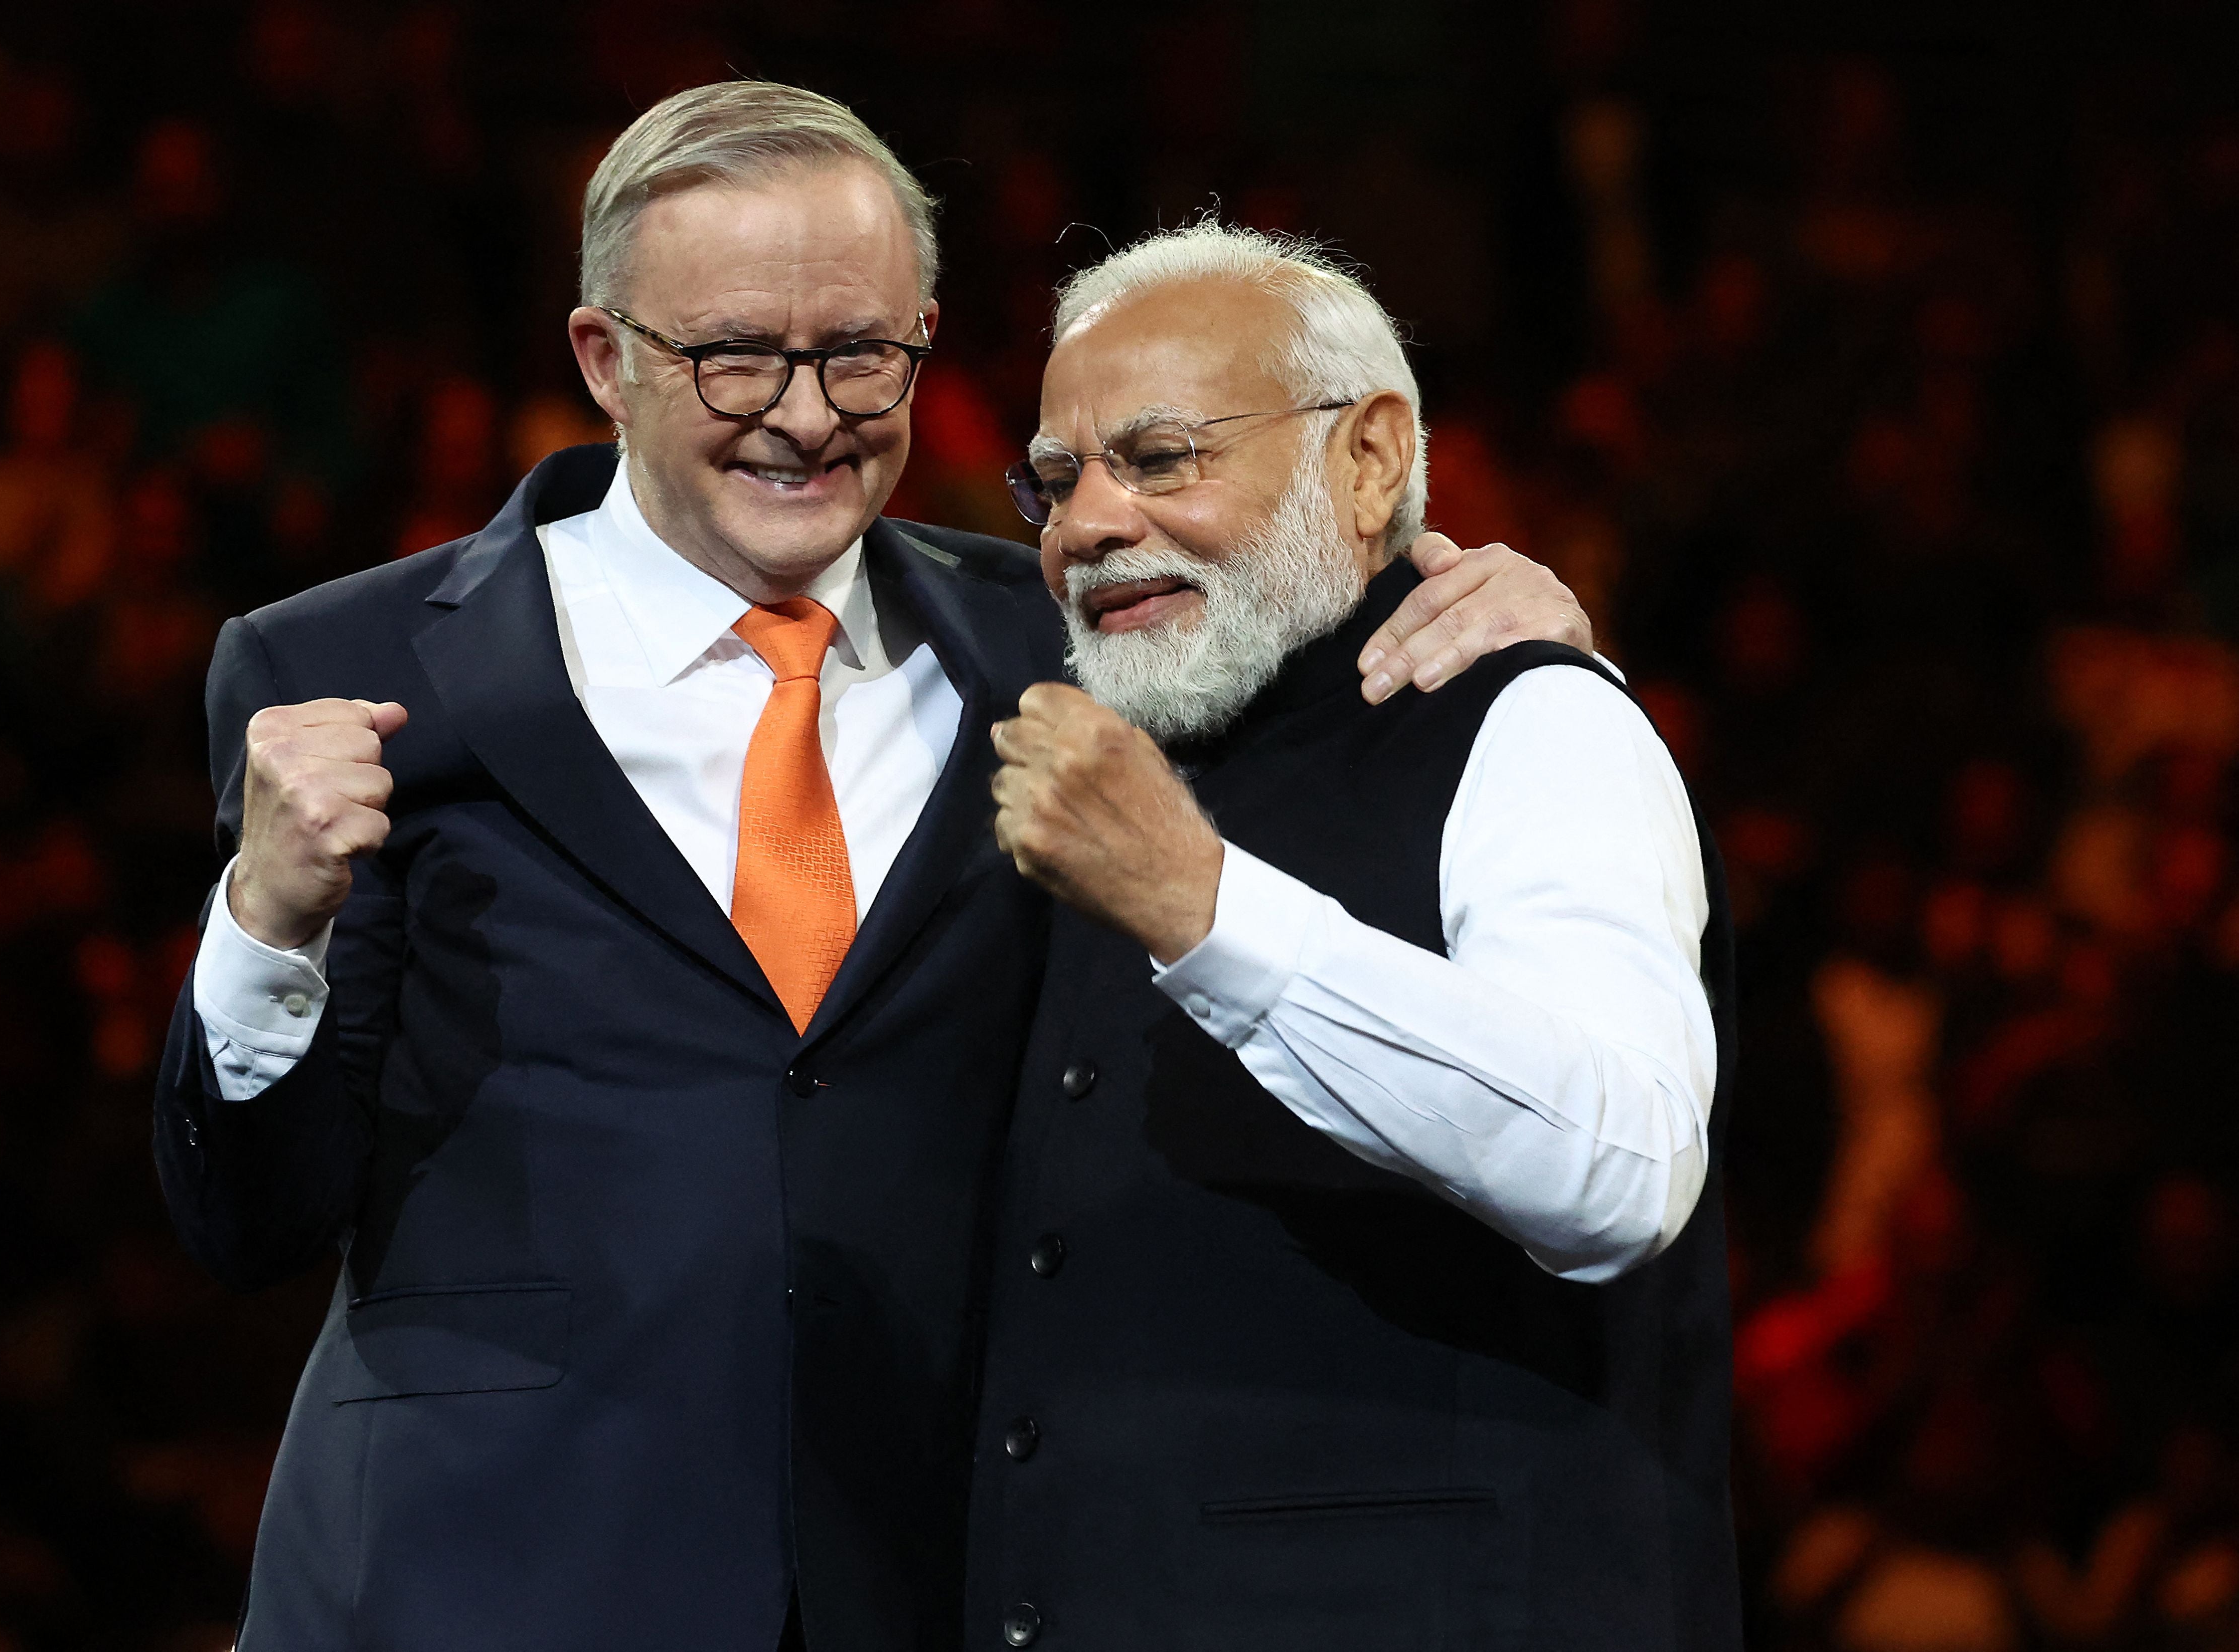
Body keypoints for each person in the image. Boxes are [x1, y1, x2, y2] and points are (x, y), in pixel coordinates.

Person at [152, 84, 1590, 1651]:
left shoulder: (1057, 639)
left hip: (931, 1574)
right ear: (603, 360)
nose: (808, 410)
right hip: (481, 1573)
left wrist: (1483, 607)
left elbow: (1301, 645)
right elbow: (252, 1221)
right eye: (734, 357)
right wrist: (267, 920)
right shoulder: (351, 667)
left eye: (860, 353)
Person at [977, 222, 1736, 1650]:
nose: (1086, 525)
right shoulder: (1086, 740)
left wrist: (1208, 909)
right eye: (1059, 479)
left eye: (1159, 457)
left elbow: (1620, 1161)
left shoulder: (1534, 720)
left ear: (1373, 457)